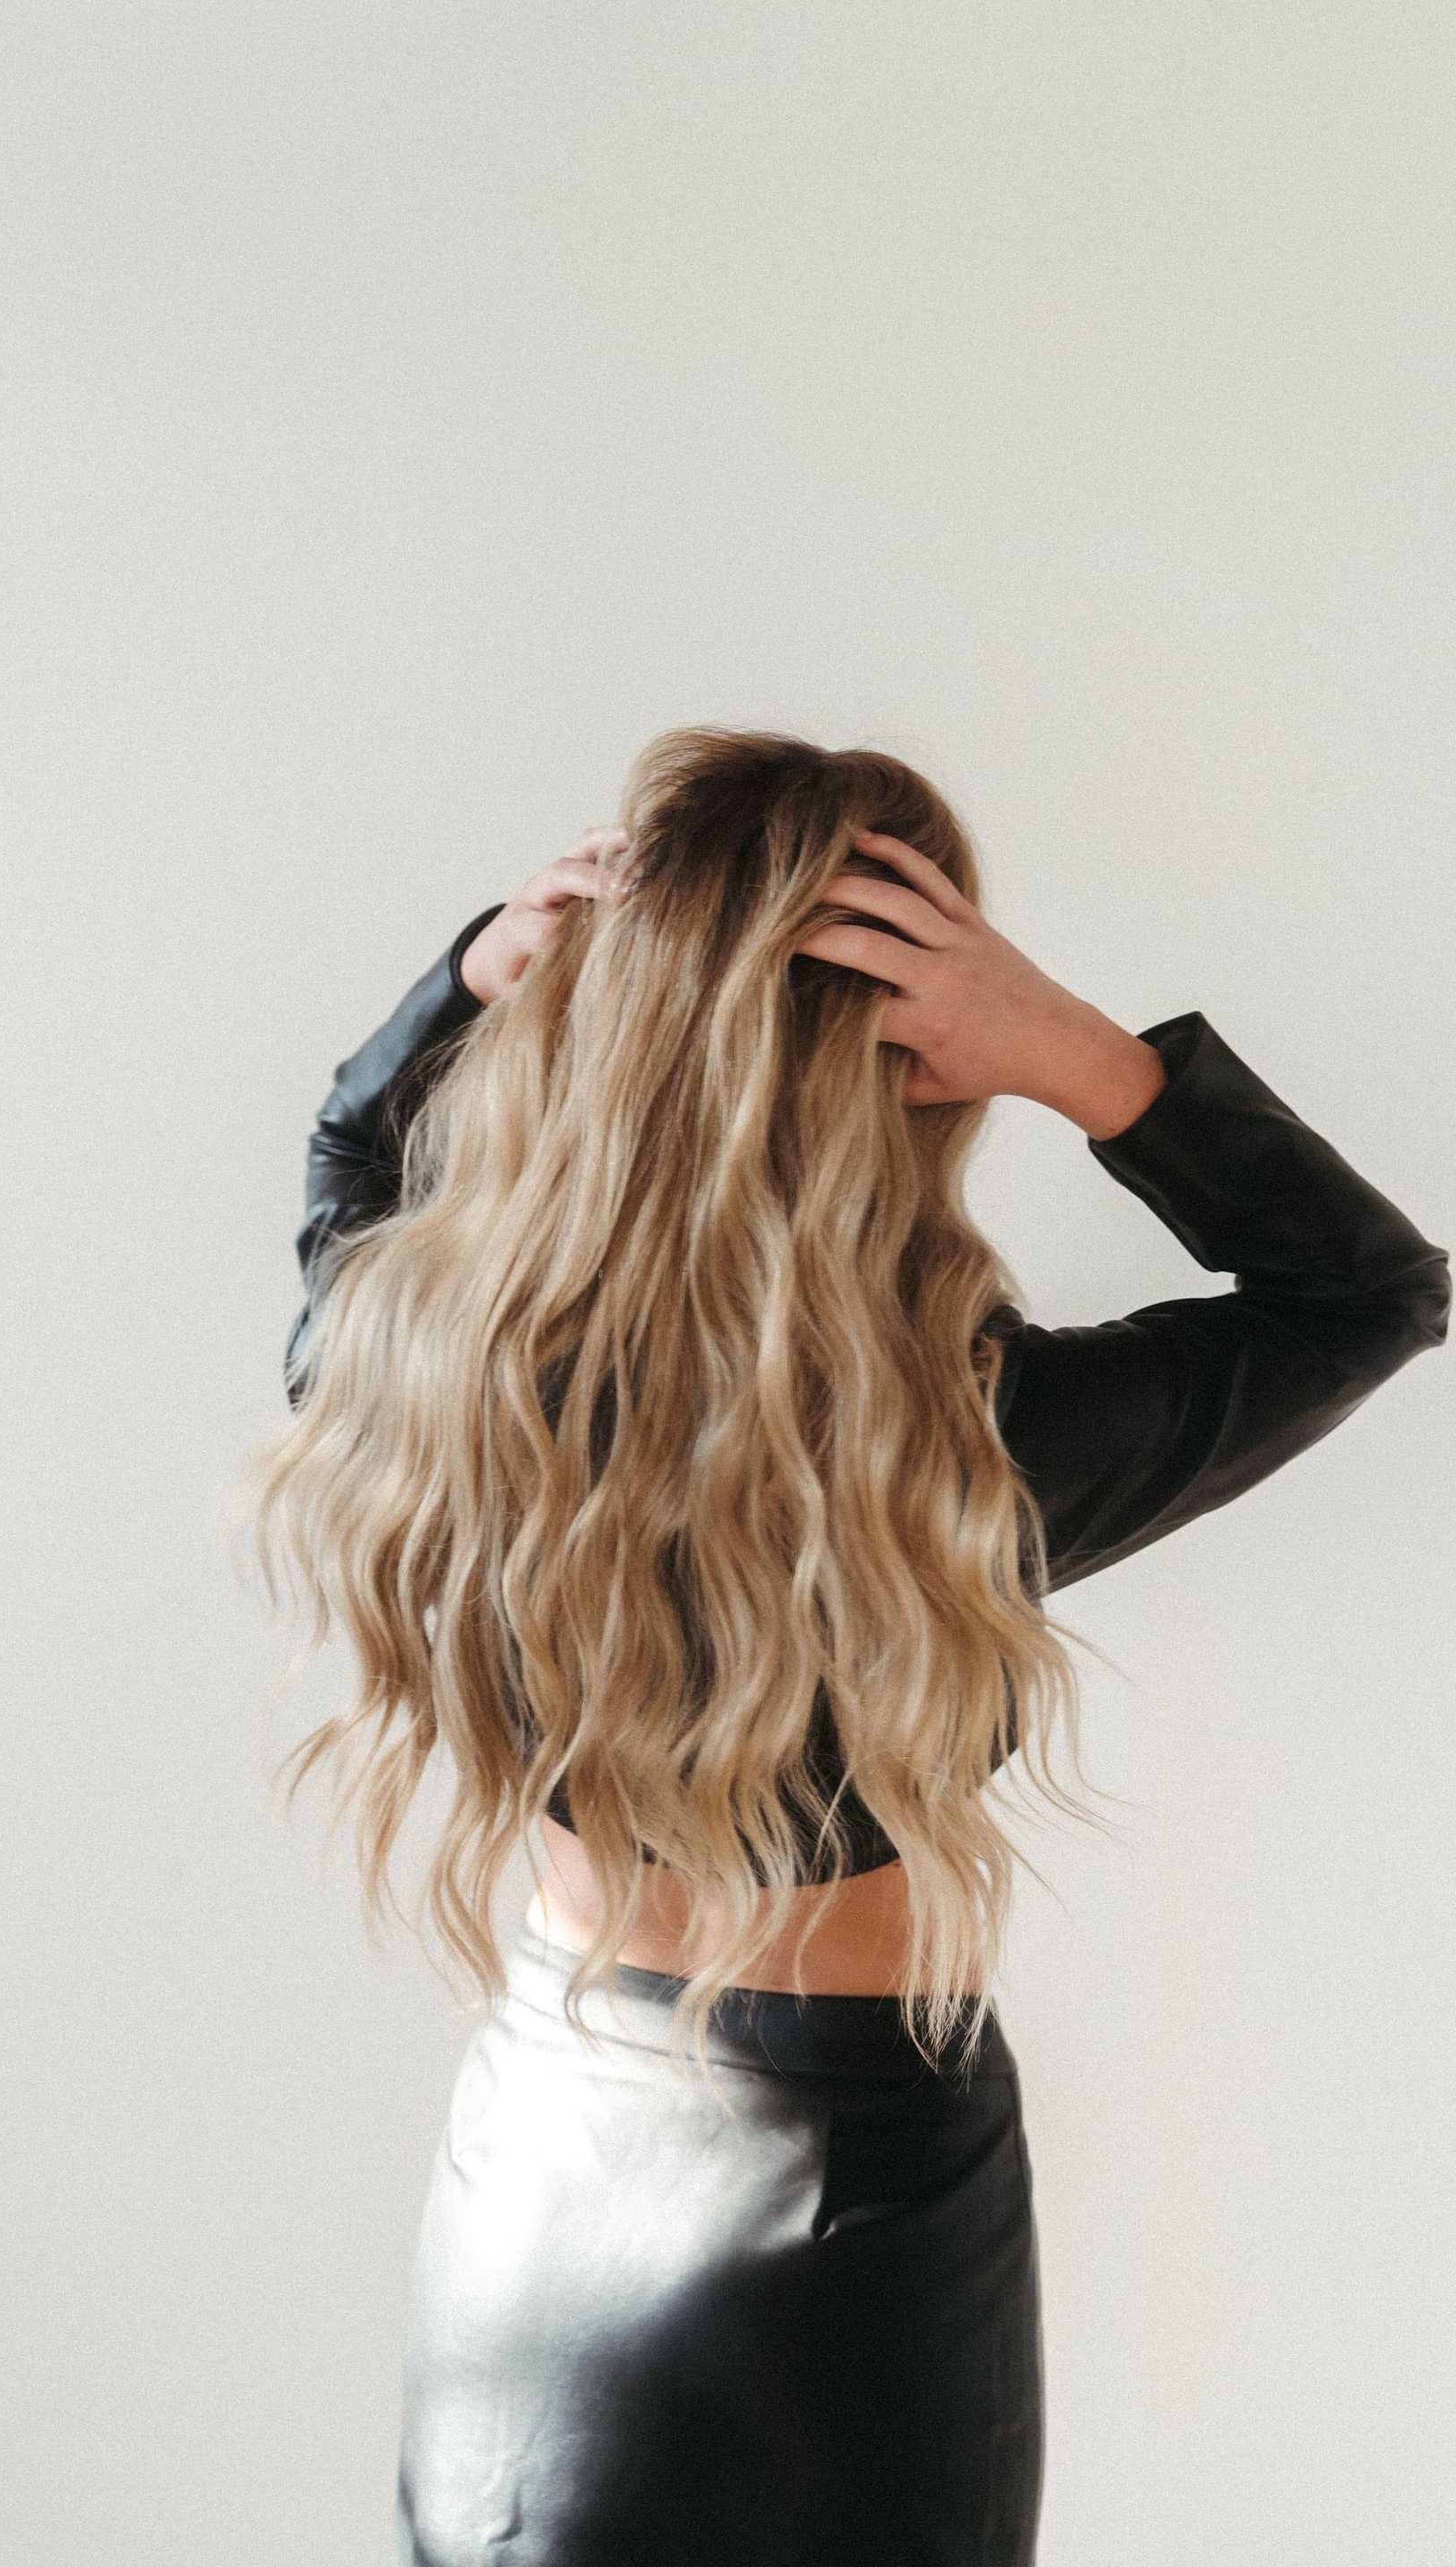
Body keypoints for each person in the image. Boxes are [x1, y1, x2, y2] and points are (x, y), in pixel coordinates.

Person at [249, 727, 1449, 2565]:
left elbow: (352, 1146)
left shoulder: (418, 1352)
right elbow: (1370, 1293)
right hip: (844, 2197)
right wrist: (1080, 1054)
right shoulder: (950, 1455)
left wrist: (472, 964)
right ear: (907, 1059)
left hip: (539, 2150)